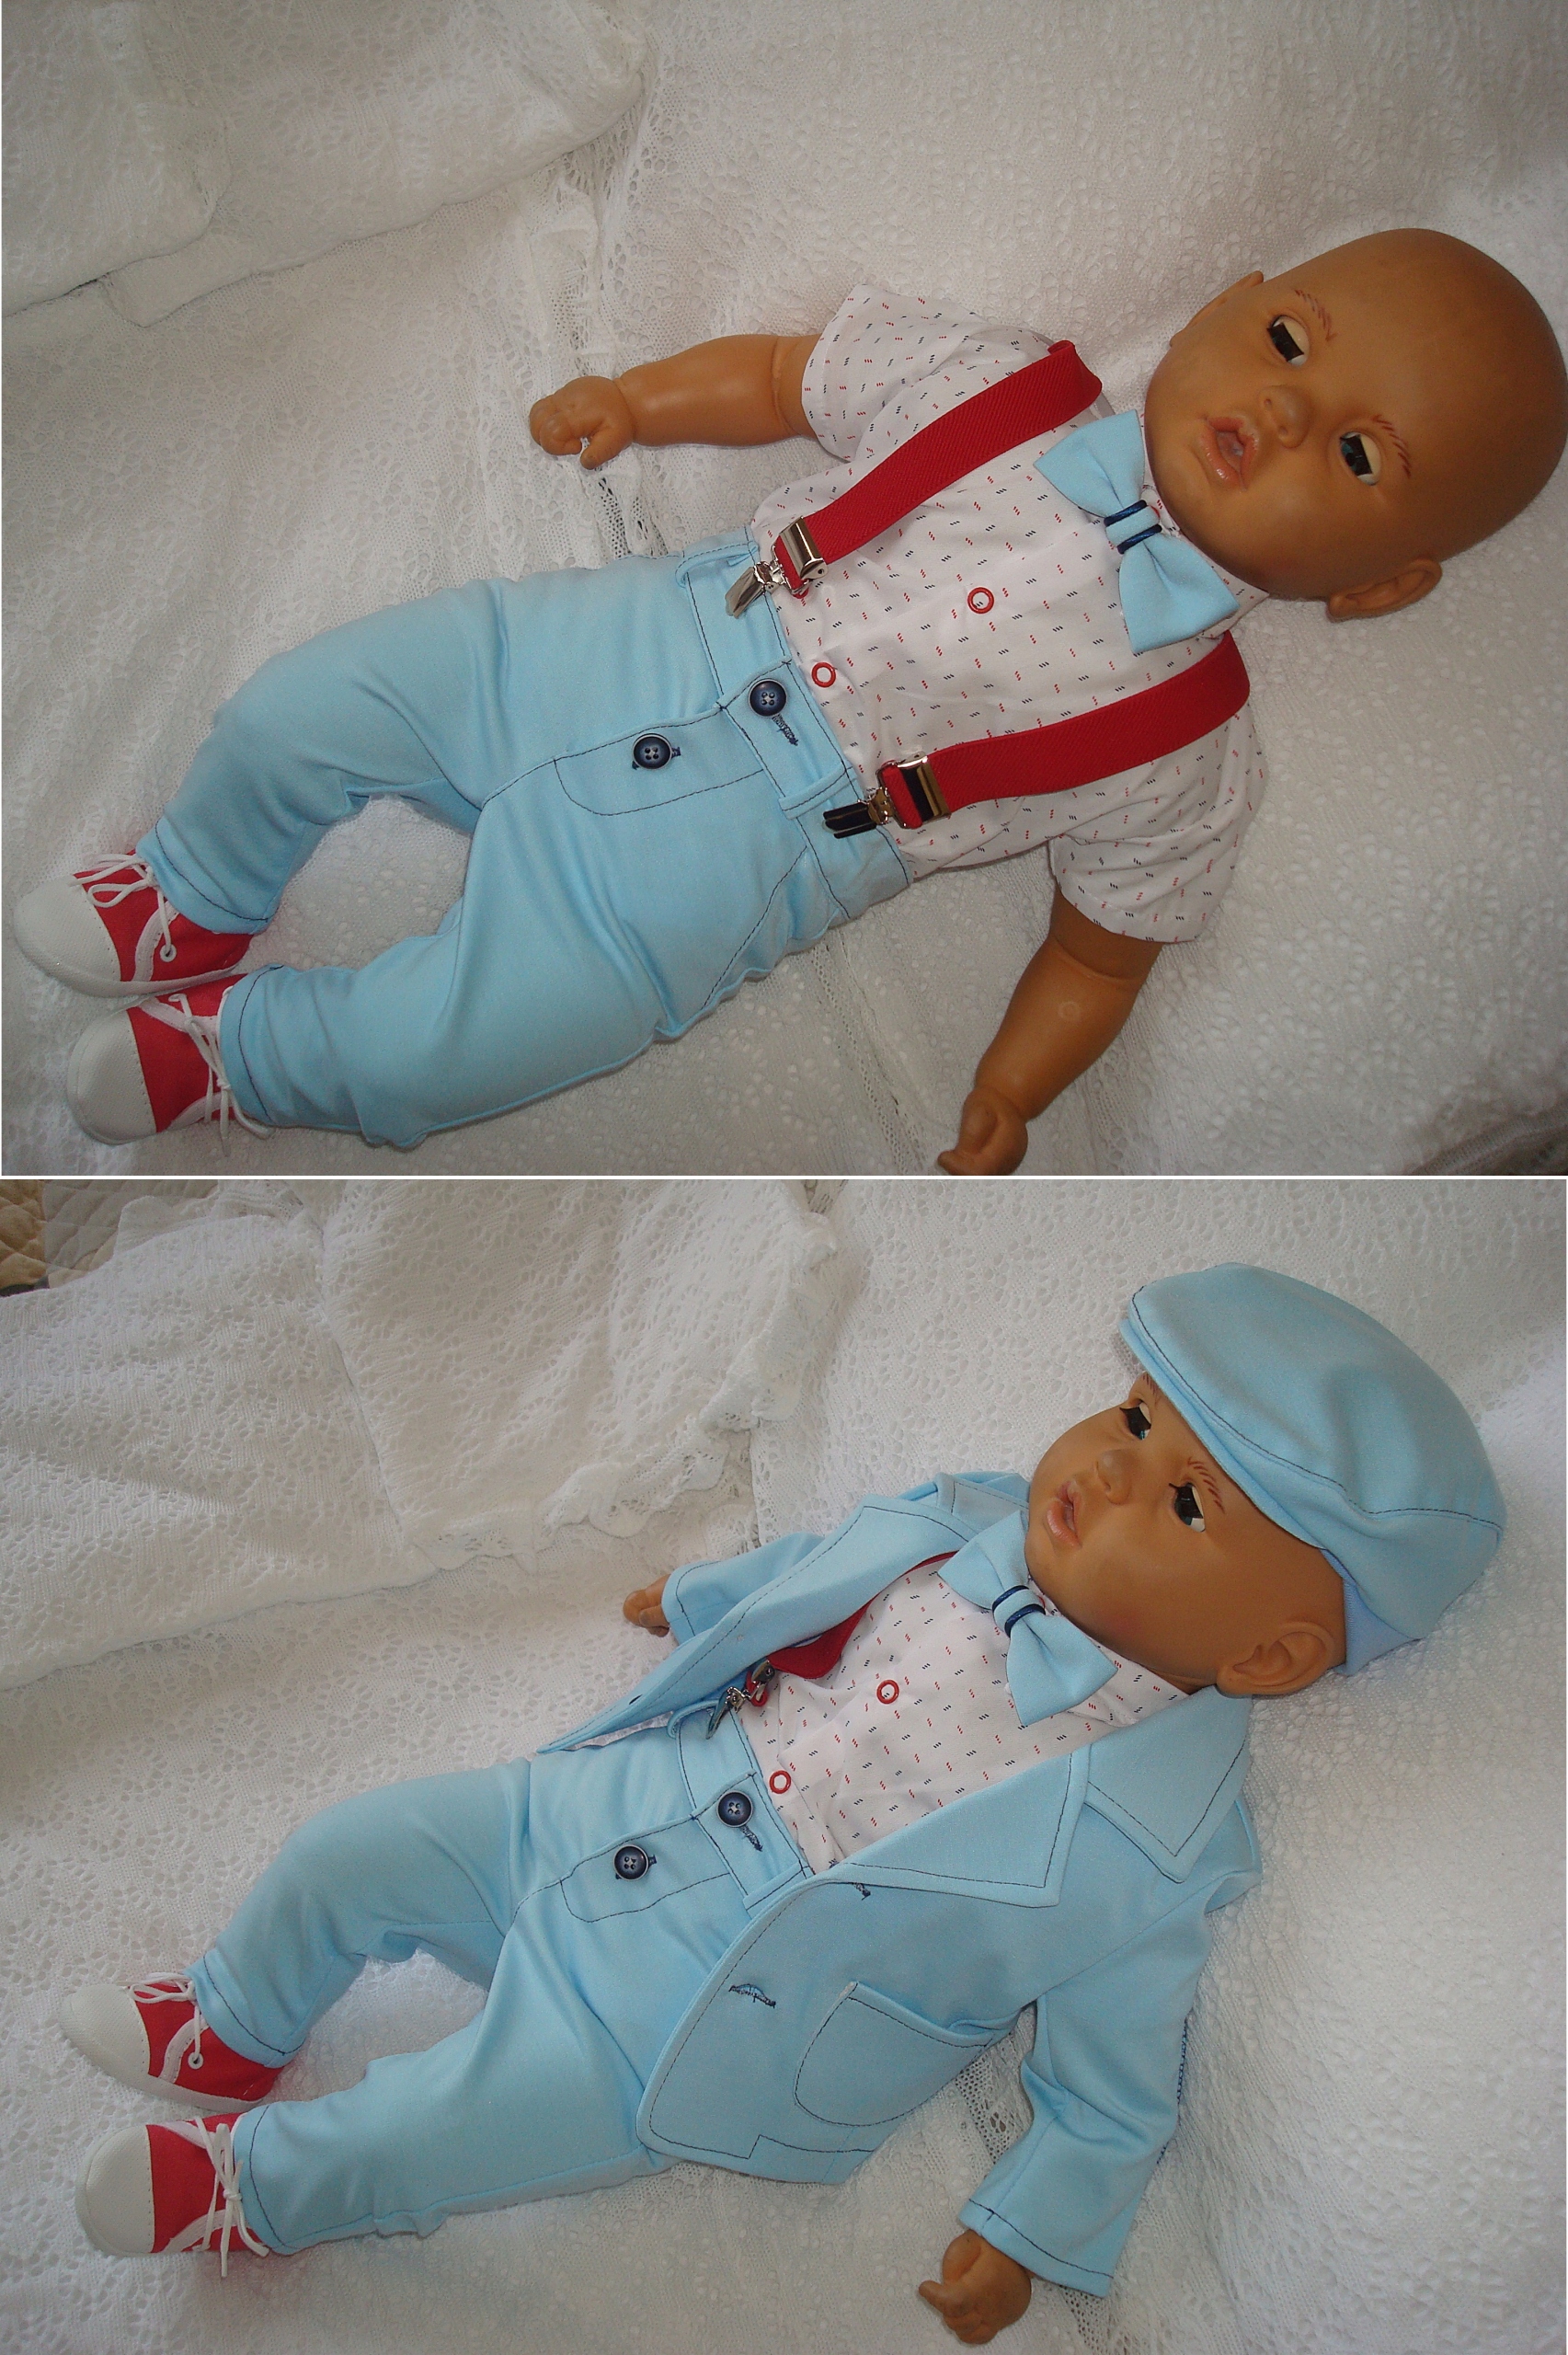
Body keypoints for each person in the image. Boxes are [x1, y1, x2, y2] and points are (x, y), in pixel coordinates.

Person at [60, 1266, 1503, 2341]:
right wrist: (700, 1594)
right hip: (629, 1801)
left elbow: (1118, 2074)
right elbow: (819, 1569)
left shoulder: (1152, 1849)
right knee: (357, 1845)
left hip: (717, 2005)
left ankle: (259, 2186)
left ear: (1269, 1658)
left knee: (446, 2126)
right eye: (1133, 1416)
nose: (1113, 1468)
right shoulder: (967, 1516)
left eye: (1185, 1504)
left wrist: (1031, 2228)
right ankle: (234, 2014)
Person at [14, 230, 1567, 1169]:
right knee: (313, 701)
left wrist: (1013, 1085)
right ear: (1234, 298)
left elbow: (1104, 950)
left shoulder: (1189, 752)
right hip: (638, 635)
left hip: (736, 867)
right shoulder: (1002, 380)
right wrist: (639, 398)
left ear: (1378, 588)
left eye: (1353, 454)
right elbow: (784, 378)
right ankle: (196, 885)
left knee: (459, 1051)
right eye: (1289, 341)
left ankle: (251, 1056)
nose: (1284, 409)